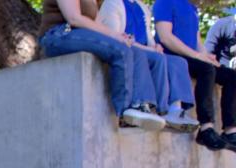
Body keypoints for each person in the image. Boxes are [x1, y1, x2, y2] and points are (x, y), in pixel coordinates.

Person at [39, 0, 166, 129]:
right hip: (58, 35)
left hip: (81, 34)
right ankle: (124, 112)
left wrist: (122, 37)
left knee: (136, 52)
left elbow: (95, 25)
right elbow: (74, 18)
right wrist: (114, 35)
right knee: (120, 50)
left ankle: (141, 105)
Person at [98, 0, 199, 130]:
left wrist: (154, 46)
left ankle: (174, 109)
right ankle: (150, 107)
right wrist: (149, 50)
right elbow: (115, 37)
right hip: (127, 47)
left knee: (177, 62)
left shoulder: (142, 7)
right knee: (154, 58)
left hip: (144, 49)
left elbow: (147, 37)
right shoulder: (112, 3)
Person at [154, 0, 236, 150]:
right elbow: (165, 37)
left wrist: (206, 56)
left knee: (232, 76)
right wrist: (196, 56)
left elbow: (197, 41)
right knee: (206, 70)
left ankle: (230, 131)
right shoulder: (164, 2)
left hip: (193, 57)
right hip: (174, 57)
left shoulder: (192, 8)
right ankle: (206, 128)